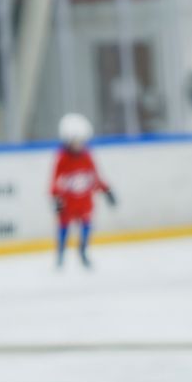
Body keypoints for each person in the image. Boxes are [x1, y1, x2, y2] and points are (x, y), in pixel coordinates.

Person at [51, 113, 115, 269]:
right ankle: (60, 253)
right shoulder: (62, 159)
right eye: (75, 141)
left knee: (86, 226)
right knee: (64, 228)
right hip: (68, 203)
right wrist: (57, 199)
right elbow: (55, 181)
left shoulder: (87, 157)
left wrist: (107, 191)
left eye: (81, 141)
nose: (79, 145)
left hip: (84, 202)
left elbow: (94, 177)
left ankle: (83, 251)